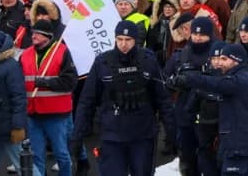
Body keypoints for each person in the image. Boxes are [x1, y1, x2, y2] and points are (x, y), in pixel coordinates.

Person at [72, 20, 174, 175]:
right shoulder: (103, 62)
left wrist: (172, 132)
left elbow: (163, 99)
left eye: (128, 40)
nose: (123, 44)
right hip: (112, 133)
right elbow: (87, 101)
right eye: (119, 39)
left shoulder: (148, 60)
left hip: (142, 133)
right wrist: (77, 134)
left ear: (135, 40)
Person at [175, 42, 248, 176]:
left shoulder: (237, 81)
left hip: (237, 150)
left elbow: (213, 83)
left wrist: (187, 79)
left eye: (224, 59)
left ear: (237, 61)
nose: (220, 63)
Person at [163, 17, 218, 176]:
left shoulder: (218, 55)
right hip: (185, 112)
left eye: (202, 35)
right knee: (187, 158)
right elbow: (165, 78)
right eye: (195, 34)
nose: (198, 38)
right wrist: (173, 83)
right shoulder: (181, 55)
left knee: (209, 159)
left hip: (211, 116)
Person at [21, 18, 77, 176]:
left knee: (61, 154)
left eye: (38, 34)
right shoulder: (25, 55)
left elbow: (71, 82)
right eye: (33, 33)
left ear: (48, 36)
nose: (33, 36)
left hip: (56, 114)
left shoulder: (62, 51)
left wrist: (45, 82)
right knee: (37, 155)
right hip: (33, 113)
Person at [0, 28, 25, 174]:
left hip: (7, 126)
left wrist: (18, 126)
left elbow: (19, 98)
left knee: (23, 166)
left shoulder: (11, 67)